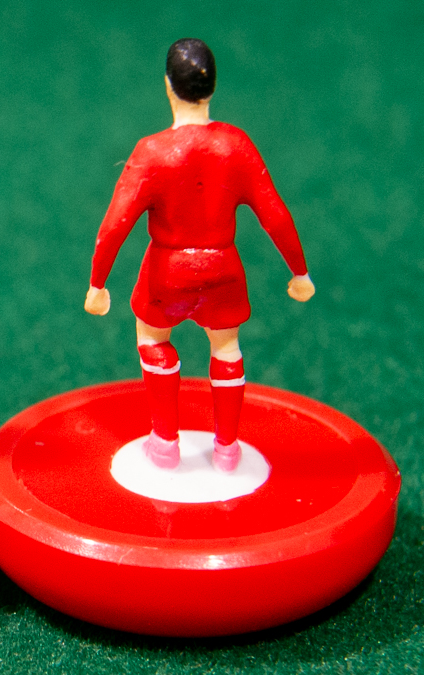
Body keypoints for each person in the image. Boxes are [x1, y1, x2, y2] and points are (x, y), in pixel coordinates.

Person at [84, 38, 314, 472]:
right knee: (226, 347)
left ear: (168, 85)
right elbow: (275, 215)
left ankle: (164, 443)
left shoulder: (151, 152)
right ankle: (227, 449)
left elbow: (115, 223)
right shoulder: (236, 145)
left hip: (166, 272)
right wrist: (299, 273)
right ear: (212, 88)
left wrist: (98, 283)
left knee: (153, 338)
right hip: (222, 270)